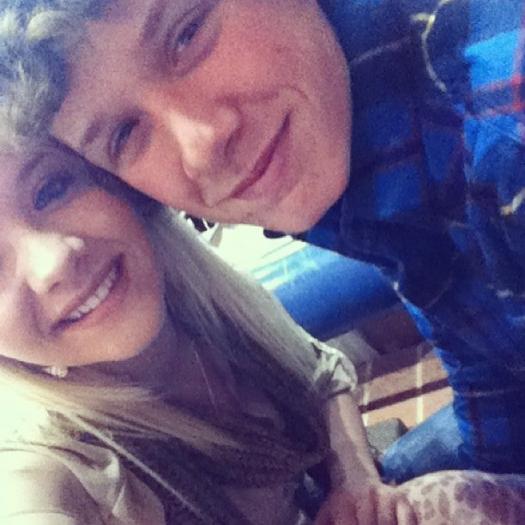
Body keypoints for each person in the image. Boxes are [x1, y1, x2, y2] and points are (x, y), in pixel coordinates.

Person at [1, 0, 525, 494]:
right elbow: (467, 326)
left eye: (187, 33)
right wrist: (498, 479)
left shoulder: (504, 128)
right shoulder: (316, 136)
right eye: (123, 134)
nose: (203, 143)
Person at [3, 133, 525, 525]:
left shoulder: (199, 291)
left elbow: (320, 372)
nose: (55, 262)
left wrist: (356, 481)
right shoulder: (49, 466)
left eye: (49, 189)